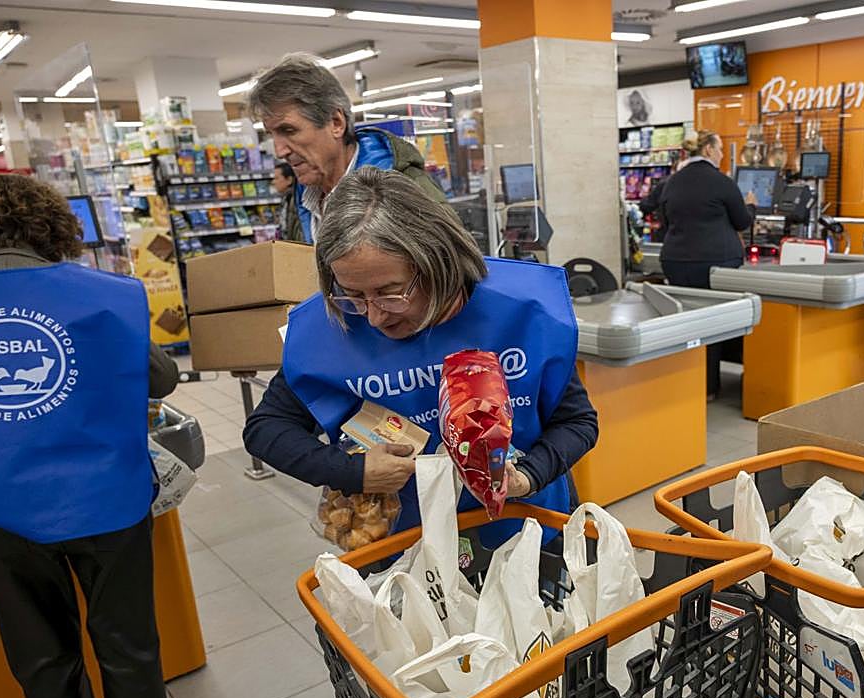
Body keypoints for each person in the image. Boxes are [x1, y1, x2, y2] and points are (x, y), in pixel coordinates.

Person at [0, 175, 182, 698]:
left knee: (40, 655)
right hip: (104, 499)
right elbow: (162, 377)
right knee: (126, 642)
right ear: (55, 228)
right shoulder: (106, 295)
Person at [244, 167, 598, 552]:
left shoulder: (519, 312)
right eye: (353, 294)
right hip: (404, 545)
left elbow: (577, 422)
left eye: (391, 293)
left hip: (526, 530)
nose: (374, 316)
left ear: (436, 263)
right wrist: (354, 471)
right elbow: (266, 430)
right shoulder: (331, 328)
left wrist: (526, 477)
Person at [248, 53, 448, 242]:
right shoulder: (300, 201)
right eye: (271, 134)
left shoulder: (408, 191)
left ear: (336, 123)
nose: (280, 151)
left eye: (289, 130)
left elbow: (452, 264)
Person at [657, 130, 757, 397]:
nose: (722, 154)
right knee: (713, 325)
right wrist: (751, 206)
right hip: (714, 263)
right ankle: (708, 388)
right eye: (720, 149)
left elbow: (665, 220)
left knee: (687, 323)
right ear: (709, 150)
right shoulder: (721, 182)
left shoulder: (672, 182)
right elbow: (742, 221)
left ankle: (687, 385)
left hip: (675, 261)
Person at [271, 161, 309, 244]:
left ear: (289, 180)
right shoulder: (286, 199)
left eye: (276, 178)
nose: (273, 182)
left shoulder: (297, 201)